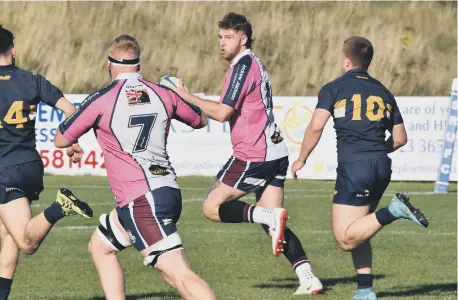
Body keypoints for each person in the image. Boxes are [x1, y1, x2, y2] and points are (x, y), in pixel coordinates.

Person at [170, 13, 323, 295]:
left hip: (255, 154)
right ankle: (308, 277)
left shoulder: (242, 66)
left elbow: (223, 112)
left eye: (228, 38)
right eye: (220, 37)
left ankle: (267, 217)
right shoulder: (252, 64)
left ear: (243, 39)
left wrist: (184, 95)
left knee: (211, 208)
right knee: (271, 221)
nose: (222, 43)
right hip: (275, 152)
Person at [54, 34, 215, 300]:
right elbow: (200, 119)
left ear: (109, 65)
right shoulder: (162, 93)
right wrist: (180, 93)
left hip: (141, 201)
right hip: (165, 191)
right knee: (100, 247)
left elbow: (61, 138)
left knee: (179, 274)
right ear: (138, 66)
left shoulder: (102, 99)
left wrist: (84, 128)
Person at [291, 36, 429, 300]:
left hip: (355, 167)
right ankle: (365, 289)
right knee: (360, 227)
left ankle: (393, 210)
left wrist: (301, 158)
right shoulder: (383, 91)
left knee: (345, 238)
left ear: (345, 60)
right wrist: (377, 151)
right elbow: (400, 138)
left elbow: (316, 126)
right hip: (381, 165)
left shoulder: (334, 87)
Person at [0, 25, 93, 300]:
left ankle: (58, 207)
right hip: (28, 166)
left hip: (3, 170)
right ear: (13, 52)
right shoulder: (32, 80)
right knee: (7, 234)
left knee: (26, 243)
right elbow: (72, 111)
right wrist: (71, 141)